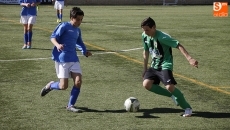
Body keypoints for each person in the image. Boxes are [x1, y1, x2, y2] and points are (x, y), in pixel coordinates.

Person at [141, 17, 198, 117]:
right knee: (146, 84)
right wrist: (145, 69)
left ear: (154, 27)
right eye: (144, 30)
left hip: (165, 64)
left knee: (169, 86)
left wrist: (190, 59)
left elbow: (178, 45)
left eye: (147, 30)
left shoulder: (163, 37)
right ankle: (172, 95)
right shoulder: (145, 36)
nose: (145, 32)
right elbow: (145, 52)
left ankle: (187, 108)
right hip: (154, 65)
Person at [40, 7, 92, 113]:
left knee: (78, 81)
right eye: (77, 19)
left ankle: (70, 105)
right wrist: (58, 45)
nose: (79, 22)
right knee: (63, 86)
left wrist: (85, 51)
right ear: (71, 18)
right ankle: (50, 86)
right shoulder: (64, 26)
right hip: (62, 58)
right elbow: (53, 37)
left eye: (81, 19)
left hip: (74, 58)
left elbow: (79, 42)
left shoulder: (78, 30)